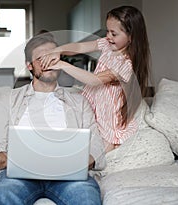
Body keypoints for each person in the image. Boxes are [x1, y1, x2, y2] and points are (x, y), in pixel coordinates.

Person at [0, 32, 106, 205]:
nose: (48, 62)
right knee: (5, 194)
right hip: (19, 176)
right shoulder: (7, 100)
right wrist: (16, 161)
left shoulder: (80, 102)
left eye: (52, 57)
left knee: (86, 197)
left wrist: (78, 163)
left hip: (68, 176)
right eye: (41, 58)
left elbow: (96, 144)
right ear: (29, 65)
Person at [40, 6, 150, 153]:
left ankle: (113, 148)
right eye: (107, 31)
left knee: (102, 148)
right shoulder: (107, 44)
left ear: (131, 37)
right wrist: (58, 50)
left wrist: (62, 64)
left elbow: (94, 80)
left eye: (114, 33)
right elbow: (79, 47)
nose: (108, 36)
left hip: (107, 111)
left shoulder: (125, 64)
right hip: (92, 99)